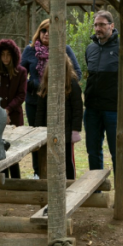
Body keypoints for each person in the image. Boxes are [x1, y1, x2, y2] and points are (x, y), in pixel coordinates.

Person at [21, 18, 82, 178]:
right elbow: (19, 76)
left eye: (50, 31)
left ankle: (63, 174)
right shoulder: (30, 50)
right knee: (38, 139)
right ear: (39, 32)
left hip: (60, 105)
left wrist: (57, 86)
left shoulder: (65, 49)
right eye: (44, 30)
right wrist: (36, 84)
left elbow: (77, 73)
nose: (47, 34)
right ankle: (38, 172)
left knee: (61, 141)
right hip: (36, 102)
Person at [84, 10, 123, 172]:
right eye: (96, 25)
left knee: (118, 152)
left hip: (114, 111)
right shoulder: (90, 49)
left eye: (102, 24)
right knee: (93, 152)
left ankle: (122, 194)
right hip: (91, 110)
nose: (98, 28)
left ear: (112, 26)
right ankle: (96, 192)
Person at [0, 39, 27, 179]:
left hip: (14, 116)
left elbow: (21, 95)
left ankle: (16, 182)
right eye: (2, 55)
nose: (6, 58)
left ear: (14, 55)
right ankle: (2, 182)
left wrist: (7, 111)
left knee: (13, 151)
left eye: (8, 54)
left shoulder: (21, 72)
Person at [35, 55, 83, 179]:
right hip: (48, 130)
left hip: (66, 132)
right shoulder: (46, 85)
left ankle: (70, 184)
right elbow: (40, 110)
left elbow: (78, 109)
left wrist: (75, 130)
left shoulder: (73, 85)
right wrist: (38, 129)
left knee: (67, 161)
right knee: (47, 160)